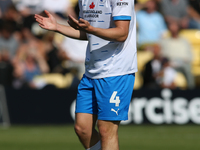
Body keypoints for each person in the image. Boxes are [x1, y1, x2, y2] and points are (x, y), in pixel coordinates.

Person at [35, 0, 137, 150]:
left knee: (105, 130)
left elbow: (121, 33)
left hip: (116, 71)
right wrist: (57, 27)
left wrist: (92, 29)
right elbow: (87, 32)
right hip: (92, 71)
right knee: (83, 129)